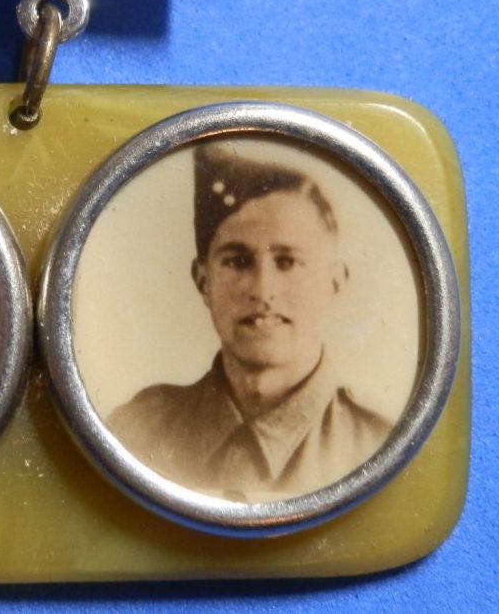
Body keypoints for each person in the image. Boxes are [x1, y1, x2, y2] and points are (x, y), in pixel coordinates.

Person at [107, 143, 391, 500]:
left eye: (287, 262)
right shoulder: (136, 432)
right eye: (238, 261)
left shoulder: (376, 447)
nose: (263, 290)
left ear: (335, 282)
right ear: (203, 281)